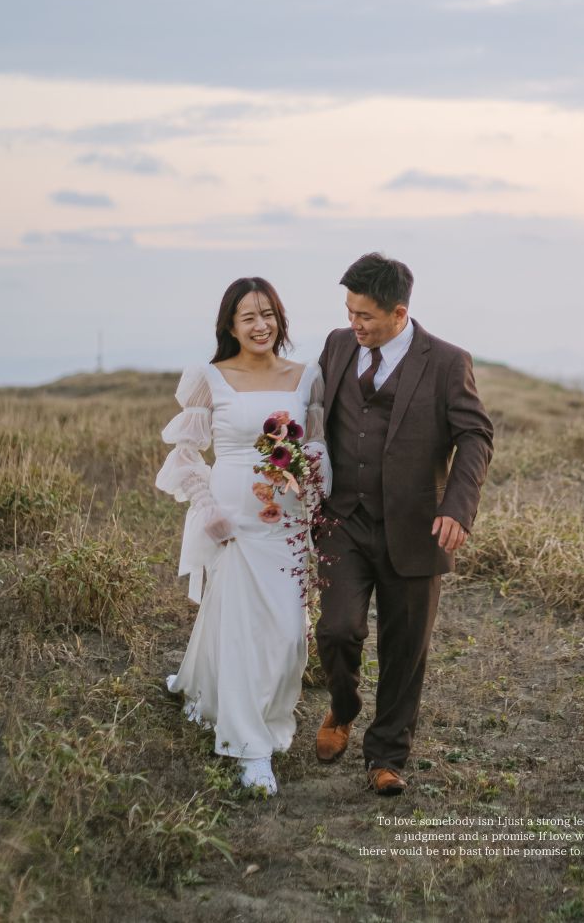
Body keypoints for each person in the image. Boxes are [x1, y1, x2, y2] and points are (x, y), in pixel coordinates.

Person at [314, 252, 494, 795]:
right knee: (336, 630)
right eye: (349, 311)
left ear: (398, 312)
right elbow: (314, 417)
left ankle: (386, 757)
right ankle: (343, 708)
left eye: (364, 315)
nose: (354, 323)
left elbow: (475, 436)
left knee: (405, 648)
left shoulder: (447, 362)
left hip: (416, 527)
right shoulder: (337, 346)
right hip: (344, 520)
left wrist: (457, 507)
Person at [156, 276, 330, 795]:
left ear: (280, 320)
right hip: (231, 521)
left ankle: (201, 689)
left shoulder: (307, 377)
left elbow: (317, 446)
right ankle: (252, 749)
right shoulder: (210, 377)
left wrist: (307, 476)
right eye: (248, 316)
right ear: (230, 325)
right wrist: (206, 506)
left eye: (268, 315)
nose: (260, 325)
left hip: (286, 523)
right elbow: (186, 452)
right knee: (237, 627)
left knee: (289, 635)